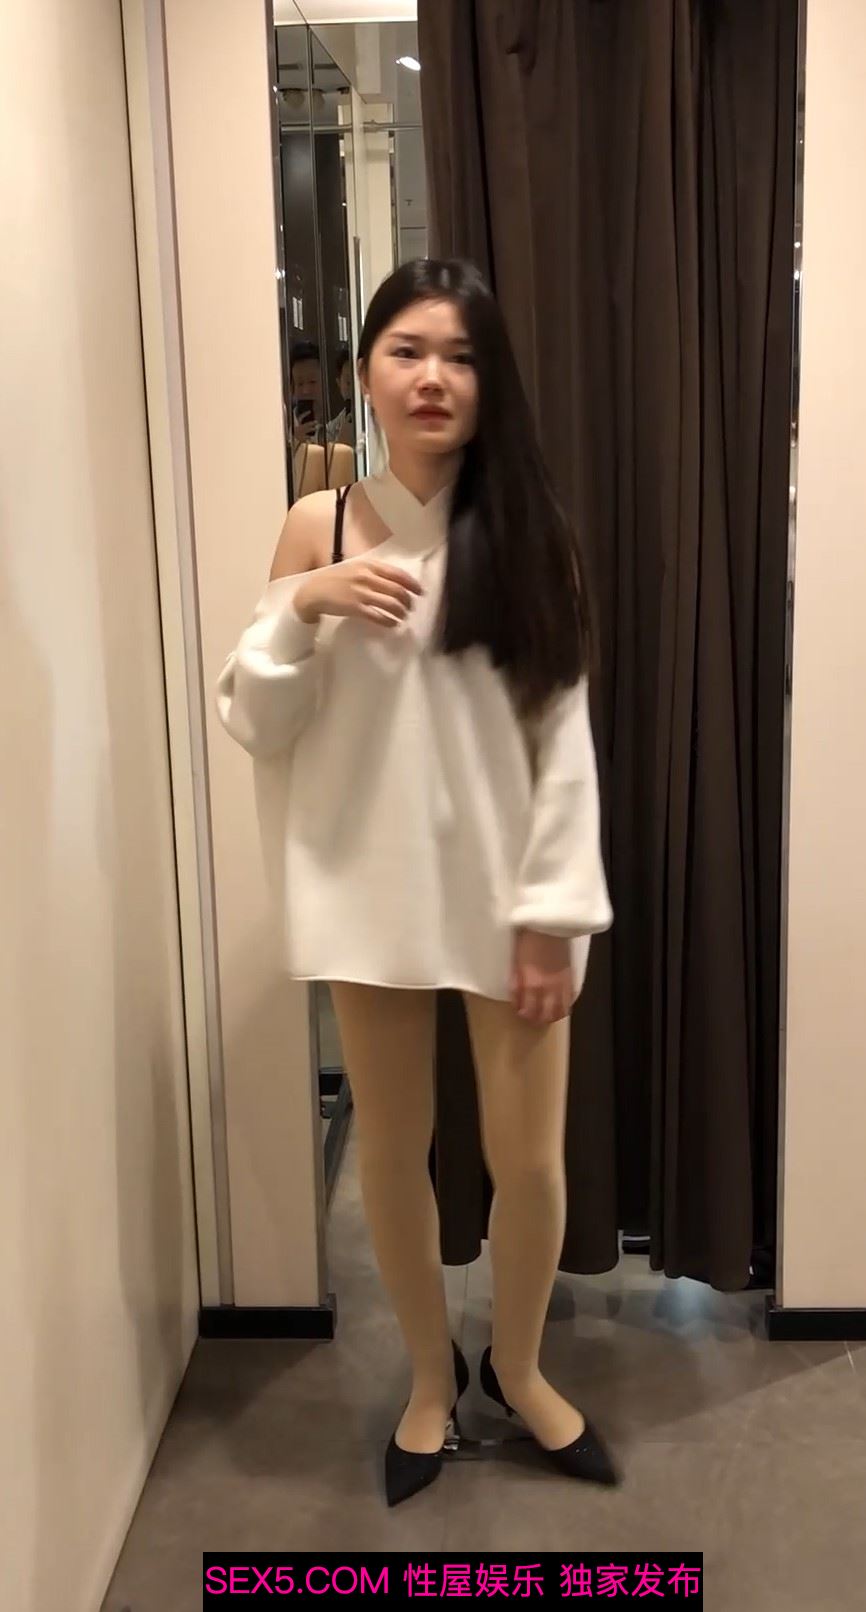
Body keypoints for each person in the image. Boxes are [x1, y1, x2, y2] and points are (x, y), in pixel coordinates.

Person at [216, 259, 617, 1506]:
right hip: (368, 885)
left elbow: (561, 739)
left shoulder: (532, 532)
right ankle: (431, 1380)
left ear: (491, 383)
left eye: (460, 355)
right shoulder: (318, 523)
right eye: (406, 350)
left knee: (529, 1161)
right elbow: (256, 723)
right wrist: (305, 606)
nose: (432, 377)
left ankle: (520, 1367)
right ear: (366, 371)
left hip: (510, 897)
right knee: (392, 1148)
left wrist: (552, 915)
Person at [290, 340, 322, 442]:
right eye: (300, 383)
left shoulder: (339, 424)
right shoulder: (284, 429)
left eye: (312, 382)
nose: (306, 391)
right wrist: (293, 442)